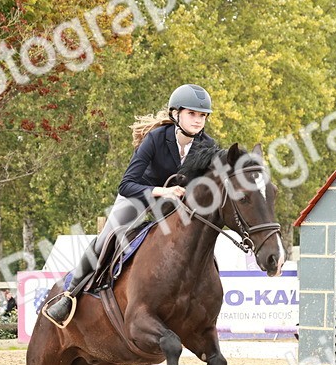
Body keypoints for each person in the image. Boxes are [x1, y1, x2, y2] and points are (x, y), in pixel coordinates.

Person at [42, 84, 214, 326]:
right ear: (176, 114)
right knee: (106, 238)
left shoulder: (207, 146)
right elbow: (126, 184)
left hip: (173, 205)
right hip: (140, 196)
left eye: (202, 115)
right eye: (192, 114)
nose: (198, 120)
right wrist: (161, 191)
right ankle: (70, 294)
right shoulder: (155, 139)